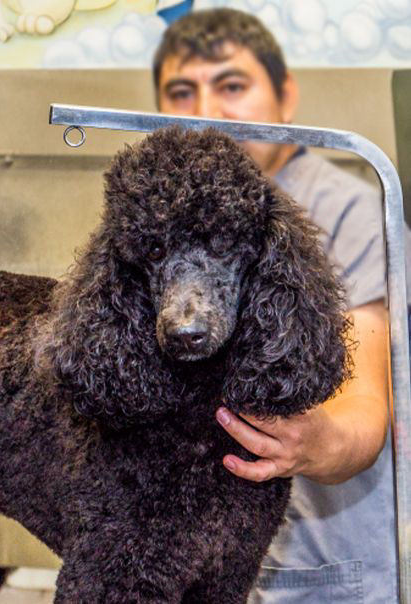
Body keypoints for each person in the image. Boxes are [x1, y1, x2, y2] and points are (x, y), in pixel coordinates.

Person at [153, 8, 402, 603]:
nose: (209, 113)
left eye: (232, 86)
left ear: (285, 95)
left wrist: (312, 444)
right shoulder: (161, 220)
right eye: (182, 92)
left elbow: (366, 413)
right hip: (203, 571)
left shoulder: (347, 209)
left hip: (320, 576)